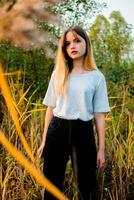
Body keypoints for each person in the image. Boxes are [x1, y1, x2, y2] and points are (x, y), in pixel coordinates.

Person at [37, 26, 110, 200]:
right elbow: (50, 109)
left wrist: (101, 150)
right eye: (67, 43)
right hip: (58, 130)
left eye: (77, 41)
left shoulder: (96, 77)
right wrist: (44, 140)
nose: (72, 46)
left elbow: (99, 116)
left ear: (87, 44)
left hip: (83, 132)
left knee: (87, 187)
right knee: (52, 186)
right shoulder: (59, 74)